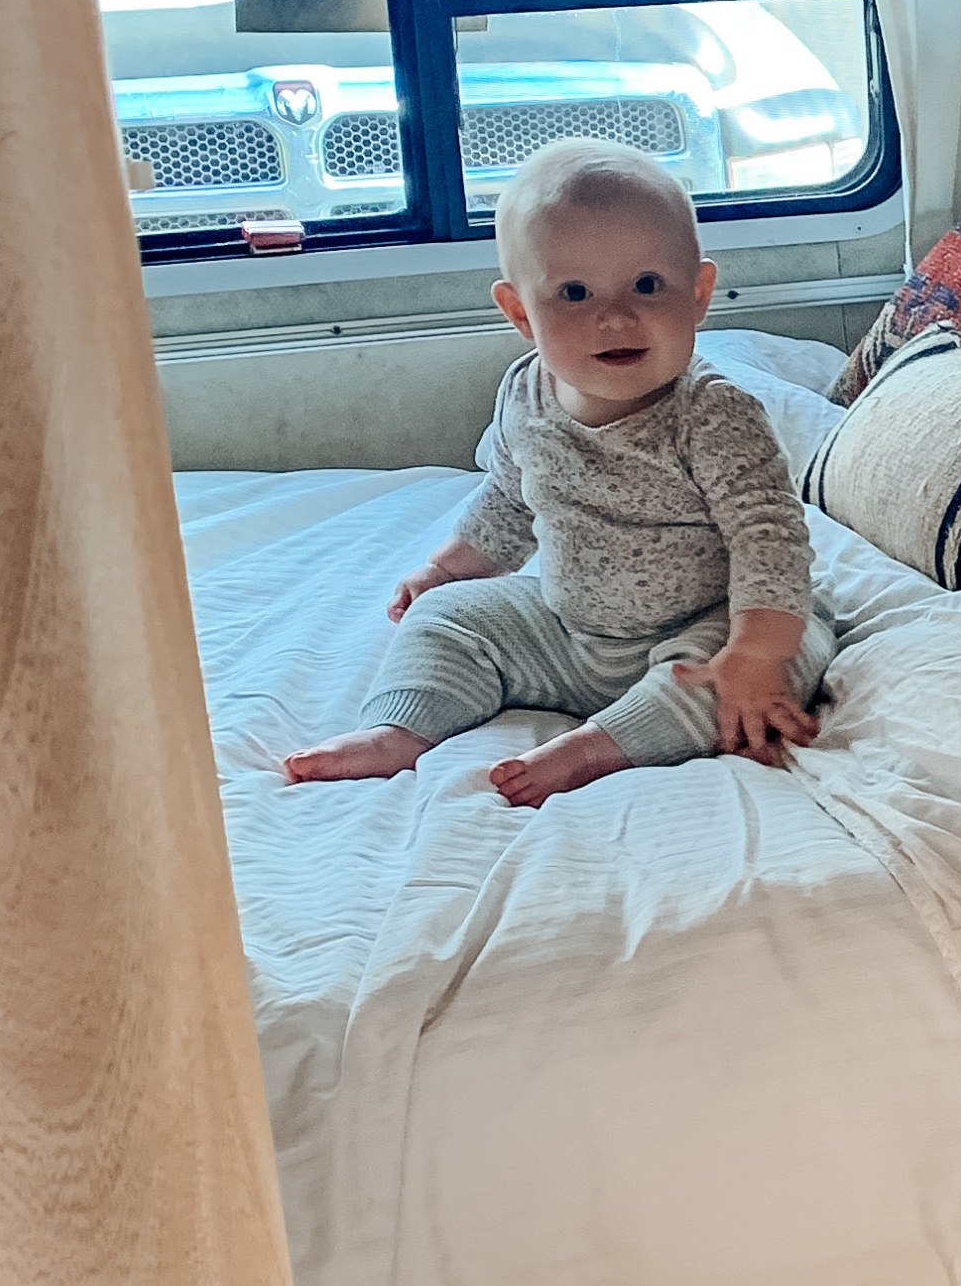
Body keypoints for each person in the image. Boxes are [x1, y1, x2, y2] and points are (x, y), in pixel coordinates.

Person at [283, 138, 835, 808]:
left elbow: (769, 540)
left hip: (705, 625)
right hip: (569, 632)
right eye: (574, 292)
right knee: (448, 616)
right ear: (520, 313)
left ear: (699, 294)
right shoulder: (525, 393)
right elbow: (510, 500)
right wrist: (448, 569)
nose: (615, 315)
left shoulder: (713, 414)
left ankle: (600, 748)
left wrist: (756, 651)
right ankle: (399, 730)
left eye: (648, 285)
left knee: (770, 663)